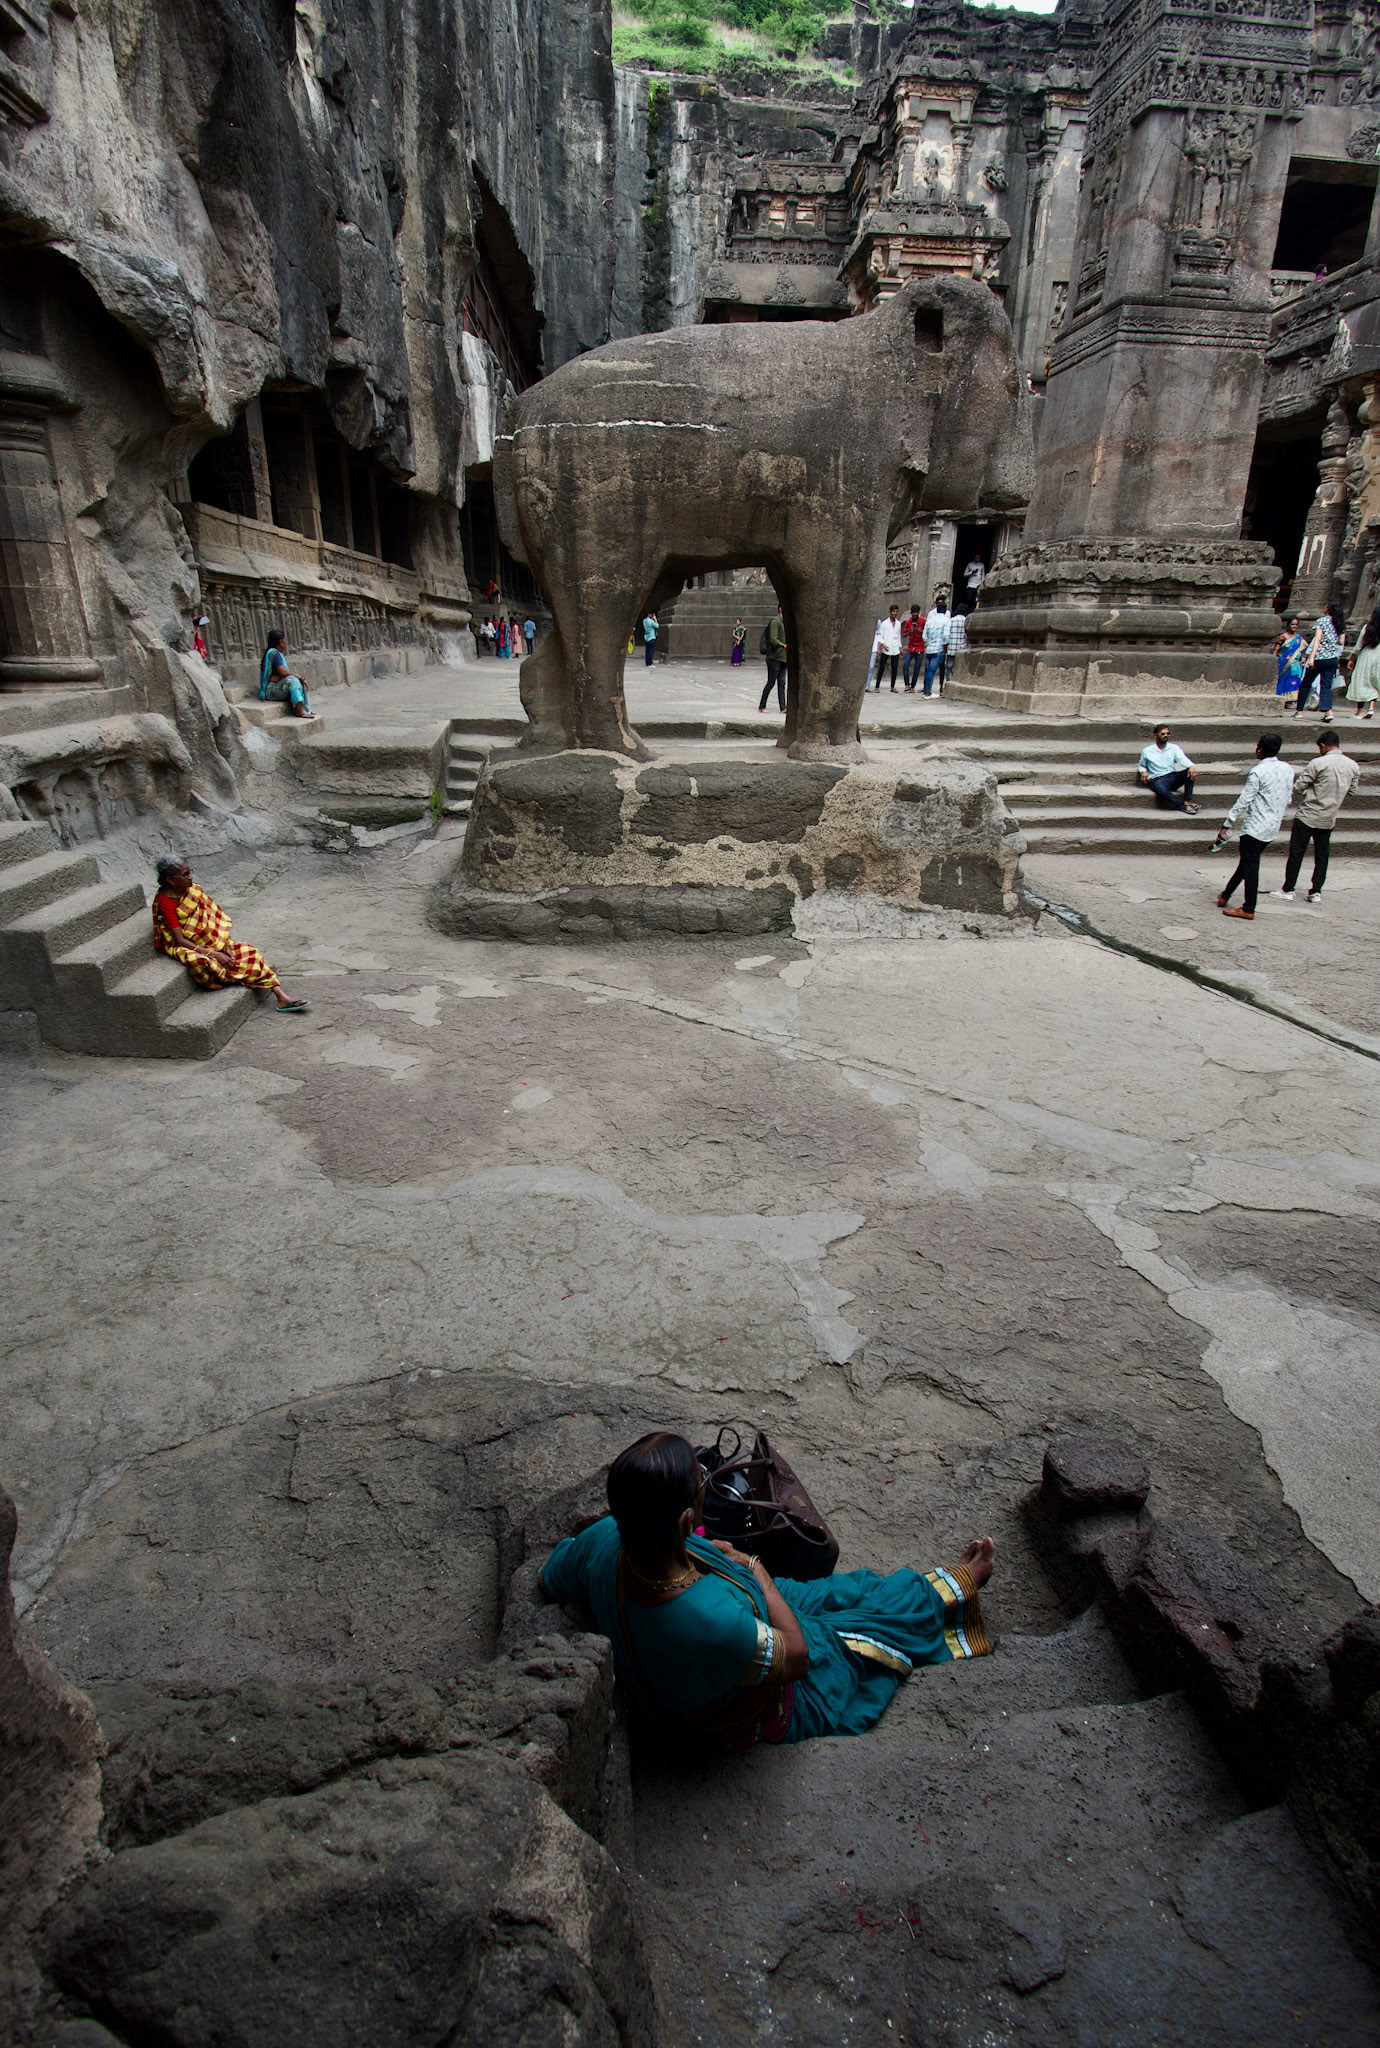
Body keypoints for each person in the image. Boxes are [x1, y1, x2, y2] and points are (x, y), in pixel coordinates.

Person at [537, 1431, 994, 1756]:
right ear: (683, 1524)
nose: (705, 1479)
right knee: (870, 1623)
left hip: (727, 1592)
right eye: (700, 1482)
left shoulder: (603, 1543)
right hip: (758, 1691)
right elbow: (797, 1657)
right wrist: (758, 1572)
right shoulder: (708, 1620)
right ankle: (956, 1590)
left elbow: (552, 1575)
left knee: (851, 1588)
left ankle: (937, 1589)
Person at [151, 857, 309, 1011]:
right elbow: (179, 939)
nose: (190, 876)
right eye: (185, 874)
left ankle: (281, 997)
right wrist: (214, 954)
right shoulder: (166, 902)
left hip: (210, 941)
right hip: (188, 946)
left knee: (250, 952)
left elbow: (212, 921)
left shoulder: (194, 891)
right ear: (170, 880)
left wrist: (225, 943)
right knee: (202, 962)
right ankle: (242, 978)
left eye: (190, 871)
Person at [1271, 729, 1360, 904]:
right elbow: (1352, 791)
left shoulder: (1318, 763)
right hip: (1329, 817)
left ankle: (1288, 888)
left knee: (1296, 853)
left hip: (1308, 814)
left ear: (1323, 745)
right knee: (1322, 855)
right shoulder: (1353, 766)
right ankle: (1316, 891)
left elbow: (1299, 785)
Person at [1212, 733, 1294, 921]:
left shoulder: (1258, 771)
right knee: (1247, 862)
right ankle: (1226, 895)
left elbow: (1244, 800)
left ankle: (1249, 907)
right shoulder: (1287, 769)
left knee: (1250, 866)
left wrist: (1228, 823)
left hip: (1255, 826)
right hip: (1272, 826)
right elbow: (1288, 798)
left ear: (1259, 749)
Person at [1297, 599, 1346, 722]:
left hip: (1319, 657)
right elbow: (1341, 641)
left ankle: (1299, 711)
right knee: (1326, 686)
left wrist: (1311, 657)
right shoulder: (1340, 623)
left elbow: (1317, 639)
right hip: (1332, 658)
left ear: (1328, 608)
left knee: (1306, 684)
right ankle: (1328, 710)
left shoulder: (1322, 621)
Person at [1136, 724, 1199, 814]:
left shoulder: (1173, 748)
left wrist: (1191, 766)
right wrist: (1143, 771)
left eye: (1167, 733)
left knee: (1190, 772)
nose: (1166, 735)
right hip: (1158, 779)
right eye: (1162, 734)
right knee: (1161, 790)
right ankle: (1183, 806)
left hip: (1172, 776)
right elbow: (1142, 765)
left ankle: (1187, 801)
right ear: (1155, 735)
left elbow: (1182, 758)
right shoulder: (1147, 751)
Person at [258, 631, 311, 716]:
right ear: (279, 641)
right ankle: (300, 711)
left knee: (298, 683)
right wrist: (300, 677)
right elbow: (283, 672)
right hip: (271, 690)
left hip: (276, 688)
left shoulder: (277, 654)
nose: (285, 642)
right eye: (284, 640)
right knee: (292, 680)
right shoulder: (274, 653)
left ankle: (305, 709)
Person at [1344, 606, 1379, 718]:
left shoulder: (1367, 628)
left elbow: (1359, 645)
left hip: (1366, 655)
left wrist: (1352, 658)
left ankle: (1359, 712)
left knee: (1362, 682)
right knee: (1374, 682)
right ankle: (1371, 708)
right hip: (1378, 656)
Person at [759, 605, 787, 713]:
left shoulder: (785, 623)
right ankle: (762, 705)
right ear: (781, 609)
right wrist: (784, 645)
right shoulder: (776, 621)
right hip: (774, 657)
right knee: (771, 682)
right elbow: (773, 638)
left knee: (782, 682)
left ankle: (783, 707)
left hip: (784, 658)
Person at [921, 598, 951, 695]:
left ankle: (926, 689)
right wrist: (944, 645)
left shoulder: (929, 621)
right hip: (938, 648)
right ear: (945, 610)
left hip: (929, 648)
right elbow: (946, 636)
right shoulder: (946, 621)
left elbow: (924, 636)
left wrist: (928, 643)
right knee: (932, 671)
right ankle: (927, 692)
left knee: (928, 670)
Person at [871, 605, 903, 691]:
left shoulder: (898, 624)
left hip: (895, 647)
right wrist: (882, 644)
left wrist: (900, 648)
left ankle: (892, 686)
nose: (895, 613)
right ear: (890, 612)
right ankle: (877, 686)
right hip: (886, 647)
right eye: (893, 611)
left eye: (896, 611)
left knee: (895, 667)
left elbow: (899, 636)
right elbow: (880, 635)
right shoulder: (884, 623)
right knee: (882, 667)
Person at [1274, 615, 1306, 701]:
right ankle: (1282, 698)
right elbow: (1276, 650)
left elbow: (1304, 650)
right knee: (1283, 680)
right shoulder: (1282, 637)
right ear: (1288, 625)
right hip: (1283, 663)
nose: (1294, 626)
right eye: (1292, 624)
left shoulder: (1299, 638)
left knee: (1293, 680)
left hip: (1295, 664)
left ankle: (1291, 699)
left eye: (1296, 624)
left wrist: (1303, 658)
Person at [901, 605, 926, 691]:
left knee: (917, 668)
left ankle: (912, 686)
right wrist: (909, 632)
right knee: (905, 665)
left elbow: (927, 632)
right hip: (911, 647)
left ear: (919, 613)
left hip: (920, 647)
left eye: (916, 613)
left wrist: (919, 631)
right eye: (913, 613)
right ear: (911, 613)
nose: (915, 614)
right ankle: (907, 684)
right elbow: (903, 635)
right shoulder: (908, 622)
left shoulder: (923, 621)